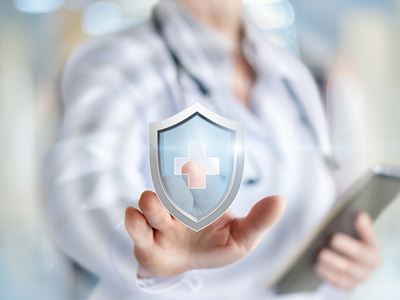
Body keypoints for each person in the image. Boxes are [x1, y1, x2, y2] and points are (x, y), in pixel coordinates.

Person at [42, 0, 381, 299]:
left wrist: (346, 263)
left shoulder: (288, 72)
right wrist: (148, 251)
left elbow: (310, 216)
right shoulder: (121, 61)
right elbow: (77, 196)